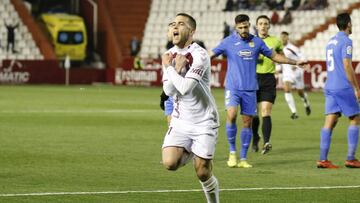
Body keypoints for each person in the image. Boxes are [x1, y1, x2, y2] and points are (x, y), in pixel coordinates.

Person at [210, 14, 307, 168]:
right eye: (240, 27)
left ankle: (243, 158)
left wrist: (295, 62)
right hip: (233, 87)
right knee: (232, 114)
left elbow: (275, 56)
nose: (243, 29)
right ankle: (232, 152)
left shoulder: (256, 42)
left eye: (246, 26)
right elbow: (211, 55)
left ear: (250, 26)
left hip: (250, 89)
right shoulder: (228, 42)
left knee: (247, 122)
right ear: (236, 27)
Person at [161, 13, 220, 202]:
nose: (175, 27)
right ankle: (195, 151)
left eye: (180, 24)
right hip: (181, 120)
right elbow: (169, 90)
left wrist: (170, 68)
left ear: (191, 31)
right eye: (172, 24)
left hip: (204, 120)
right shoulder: (169, 56)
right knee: (169, 163)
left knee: (202, 172)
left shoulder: (199, 54)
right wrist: (175, 69)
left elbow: (185, 88)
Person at [317, 13, 360, 169]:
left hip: (330, 86)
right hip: (342, 86)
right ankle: (351, 158)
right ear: (348, 24)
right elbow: (347, 65)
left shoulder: (330, 41)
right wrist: (356, 87)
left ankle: (323, 160)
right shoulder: (346, 41)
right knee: (355, 118)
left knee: (330, 121)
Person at [251, 15, 282, 155]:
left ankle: (266, 142)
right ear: (256, 26)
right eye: (260, 23)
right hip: (252, 79)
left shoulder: (275, 41)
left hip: (268, 79)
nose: (263, 26)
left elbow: (280, 54)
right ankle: (255, 137)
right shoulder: (250, 41)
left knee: (265, 112)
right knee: (253, 114)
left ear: (269, 26)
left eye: (265, 24)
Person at [279, 31, 311, 119]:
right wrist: (278, 69)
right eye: (281, 37)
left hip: (296, 72)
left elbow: (303, 57)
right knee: (286, 89)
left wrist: (297, 65)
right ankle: (294, 112)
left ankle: (306, 102)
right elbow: (279, 59)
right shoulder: (279, 48)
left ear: (287, 38)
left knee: (300, 92)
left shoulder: (292, 48)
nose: (282, 38)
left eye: (284, 37)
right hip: (287, 73)